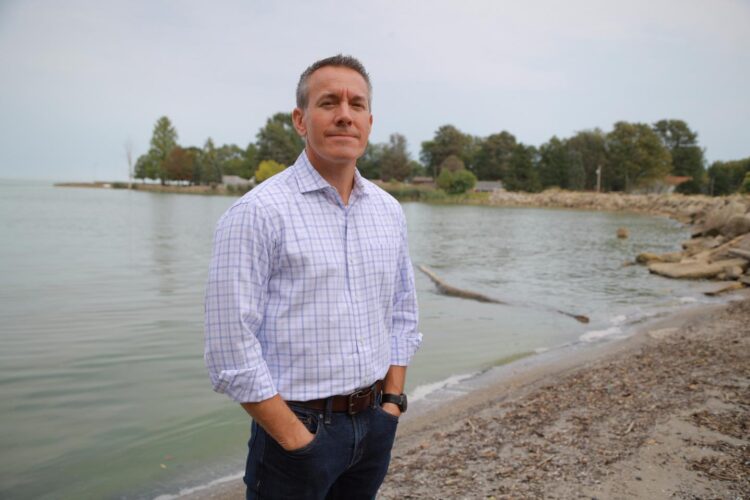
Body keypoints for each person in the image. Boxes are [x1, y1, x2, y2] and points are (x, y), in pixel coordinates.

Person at [204, 54, 422, 499]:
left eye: (356, 104)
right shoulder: (257, 213)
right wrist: (294, 438)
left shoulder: (388, 211)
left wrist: (392, 403)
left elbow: (402, 312)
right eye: (328, 103)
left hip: (375, 423)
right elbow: (230, 347)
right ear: (300, 120)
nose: (344, 114)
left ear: (369, 121)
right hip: (296, 432)